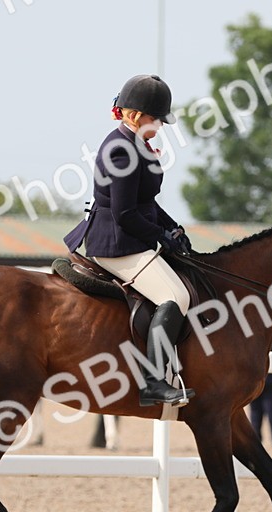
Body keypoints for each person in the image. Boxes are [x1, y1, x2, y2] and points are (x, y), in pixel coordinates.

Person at [64, 74, 195, 407]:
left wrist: (173, 227)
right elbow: (124, 213)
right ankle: (153, 381)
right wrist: (160, 237)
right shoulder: (121, 150)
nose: (159, 127)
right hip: (115, 242)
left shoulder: (134, 143)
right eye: (156, 120)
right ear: (135, 115)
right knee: (176, 295)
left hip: (129, 236)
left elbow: (145, 202)